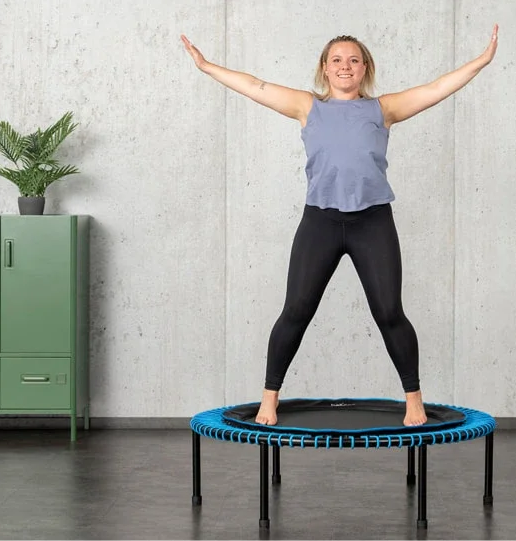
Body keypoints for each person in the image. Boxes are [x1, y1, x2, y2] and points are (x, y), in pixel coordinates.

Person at [181, 25, 499, 426]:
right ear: (325, 69)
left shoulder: (383, 109)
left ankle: (414, 400)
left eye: (353, 60)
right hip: (321, 221)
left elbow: (436, 88)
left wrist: (481, 62)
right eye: (337, 60)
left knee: (389, 312)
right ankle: (269, 399)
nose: (345, 66)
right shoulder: (307, 107)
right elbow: (255, 85)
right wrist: (207, 66)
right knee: (296, 310)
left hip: (373, 221)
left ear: (365, 68)